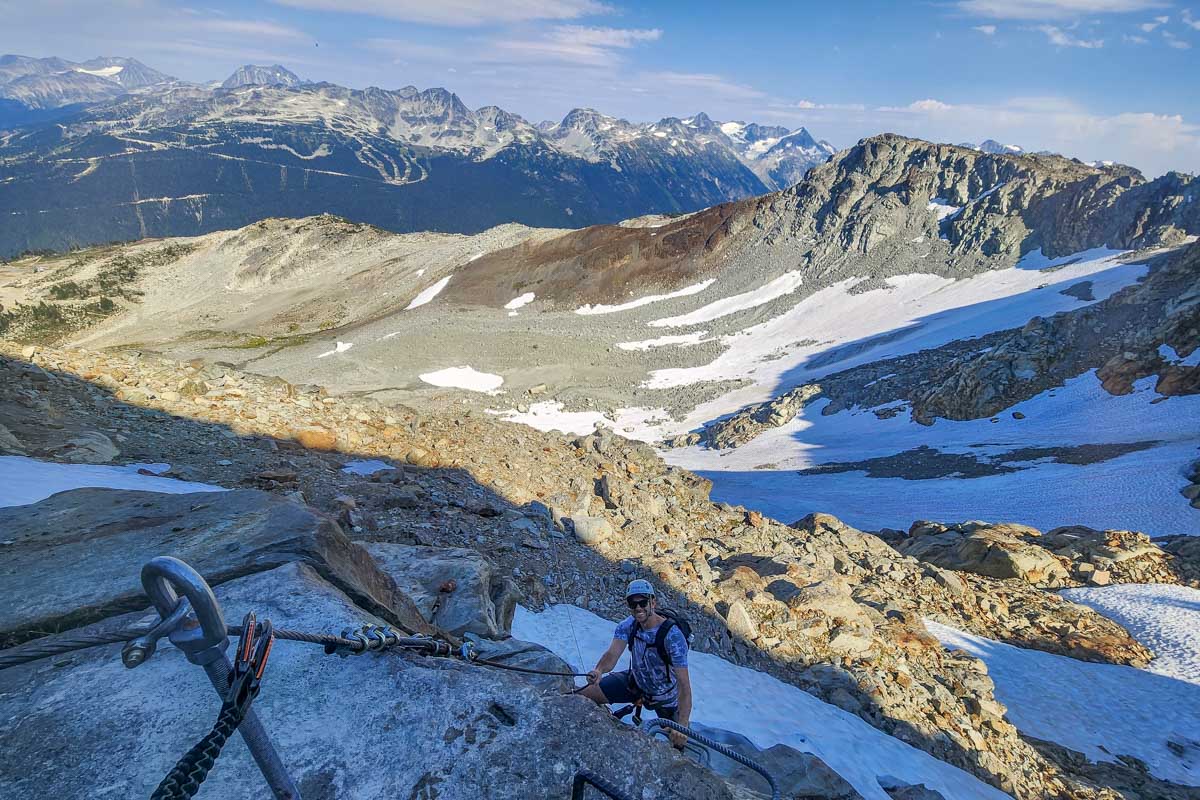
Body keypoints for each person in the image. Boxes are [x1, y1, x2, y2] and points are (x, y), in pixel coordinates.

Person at [580, 579, 692, 749]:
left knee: (678, 742)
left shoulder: (673, 637)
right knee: (584, 694)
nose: (638, 607)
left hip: (667, 699)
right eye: (633, 603)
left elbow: (684, 685)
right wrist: (599, 670)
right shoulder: (629, 626)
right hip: (635, 683)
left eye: (643, 602)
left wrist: (682, 723)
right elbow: (612, 654)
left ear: (652, 602)